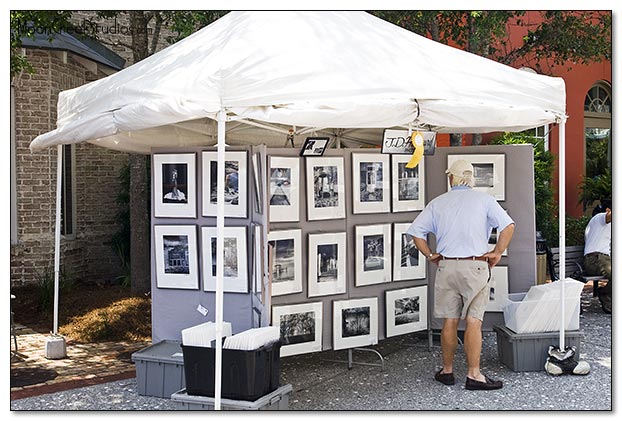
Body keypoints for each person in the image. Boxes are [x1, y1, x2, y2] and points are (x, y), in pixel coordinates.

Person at [408, 159, 515, 391]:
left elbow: (416, 232)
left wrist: (430, 255)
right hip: (475, 266)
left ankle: (447, 371)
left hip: (446, 266)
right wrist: (497, 252)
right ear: (471, 179)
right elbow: (508, 226)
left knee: (449, 320)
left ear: (451, 178)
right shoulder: (485, 200)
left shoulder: (438, 203)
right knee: (474, 322)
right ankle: (474, 375)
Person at [584, 198, 611, 314]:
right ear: (608, 210)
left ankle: (606, 293)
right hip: (595, 259)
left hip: (602, 259)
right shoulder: (600, 218)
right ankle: (605, 294)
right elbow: (608, 217)